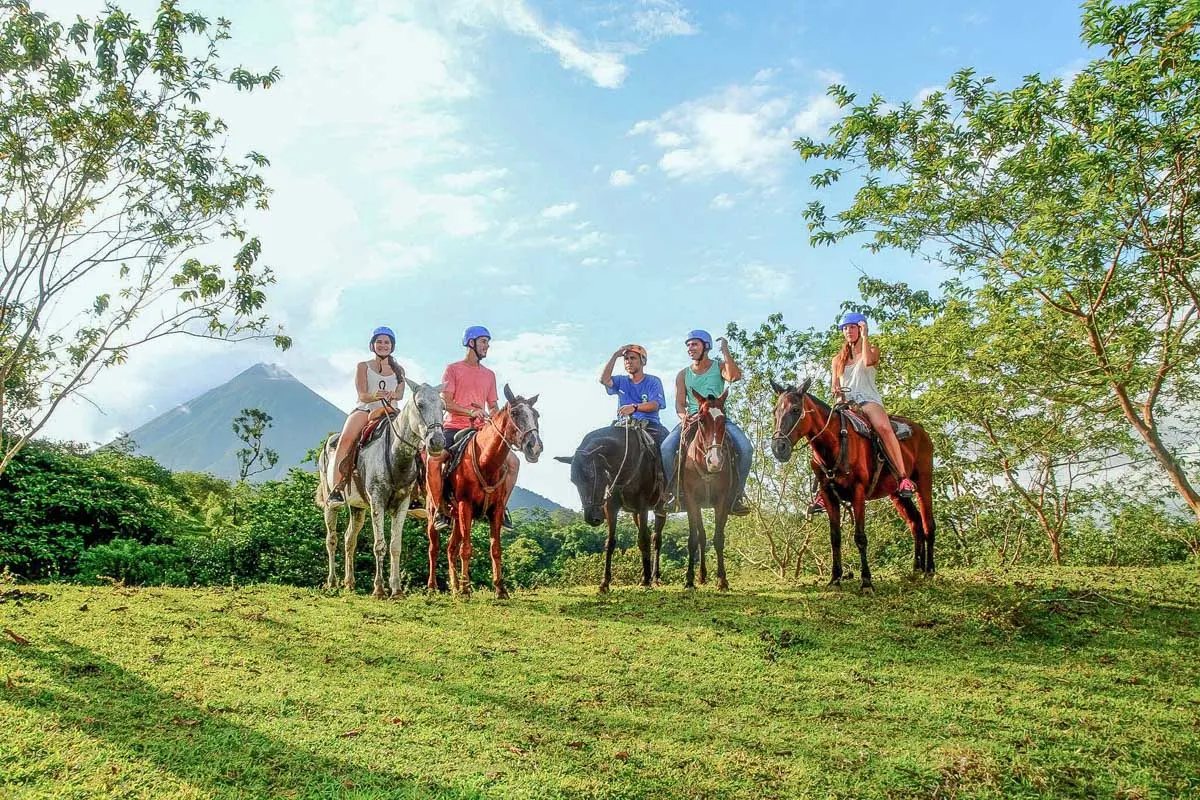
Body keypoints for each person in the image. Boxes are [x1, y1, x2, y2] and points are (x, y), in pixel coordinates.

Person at [425, 325, 510, 529]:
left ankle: (502, 509)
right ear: (470, 343)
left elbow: (493, 406)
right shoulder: (453, 369)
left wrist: (496, 420)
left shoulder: (489, 375)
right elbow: (446, 402)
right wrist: (470, 412)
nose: (487, 346)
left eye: (487, 342)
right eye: (483, 342)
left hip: (482, 431)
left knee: (513, 463)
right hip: (454, 426)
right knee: (433, 460)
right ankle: (438, 510)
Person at [660, 329, 752, 516]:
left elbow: (734, 376)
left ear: (706, 347)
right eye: (688, 345)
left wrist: (725, 350)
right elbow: (679, 403)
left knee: (746, 448)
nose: (690, 348)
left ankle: (737, 495)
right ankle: (675, 494)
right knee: (666, 448)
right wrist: (683, 417)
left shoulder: (718, 367)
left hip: (717, 418)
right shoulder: (682, 374)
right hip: (693, 418)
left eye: (694, 344)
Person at [832, 312, 916, 498]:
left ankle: (903, 477)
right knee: (825, 431)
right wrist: (837, 393)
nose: (848, 331)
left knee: (884, 428)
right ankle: (823, 489)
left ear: (861, 328)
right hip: (846, 404)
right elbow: (835, 386)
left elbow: (868, 361)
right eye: (845, 328)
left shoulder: (872, 351)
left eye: (852, 327)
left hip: (867, 400)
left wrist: (865, 336)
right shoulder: (837, 359)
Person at [327, 326, 405, 505]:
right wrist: (377, 395)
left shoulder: (399, 370)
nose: (383, 345)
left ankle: (415, 493)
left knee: (413, 440)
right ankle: (337, 488)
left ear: (392, 346)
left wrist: (392, 395)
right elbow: (362, 394)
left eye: (387, 342)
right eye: (379, 342)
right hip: (366, 409)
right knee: (345, 439)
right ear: (372, 345)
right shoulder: (363, 366)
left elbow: (400, 394)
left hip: (390, 412)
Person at [599, 344, 669, 450]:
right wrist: (615, 356)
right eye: (626, 359)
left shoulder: (653, 381)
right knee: (598, 445)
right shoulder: (621, 380)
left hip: (649, 425)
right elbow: (604, 380)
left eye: (633, 358)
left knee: (667, 449)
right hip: (623, 425)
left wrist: (634, 407)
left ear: (643, 361)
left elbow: (655, 404)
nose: (628, 361)